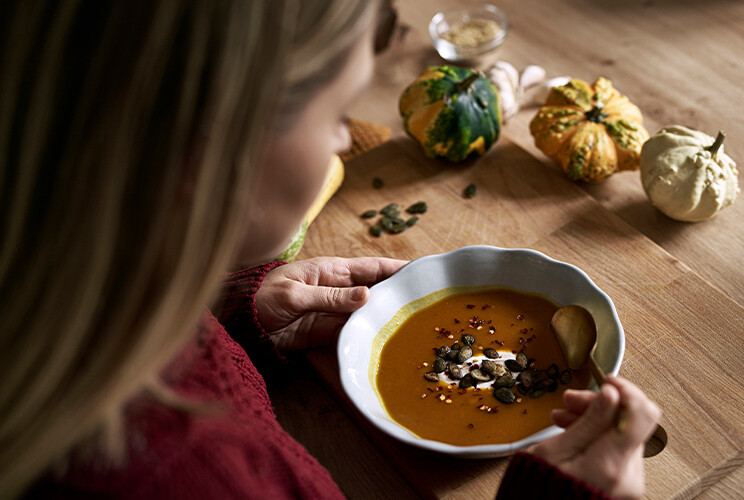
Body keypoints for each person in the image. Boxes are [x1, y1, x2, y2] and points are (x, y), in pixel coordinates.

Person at [0, 1, 660, 499]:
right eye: (338, 114)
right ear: (207, 159)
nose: (347, 143)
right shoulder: (201, 476)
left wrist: (224, 310)